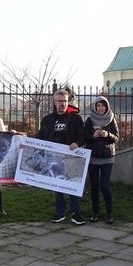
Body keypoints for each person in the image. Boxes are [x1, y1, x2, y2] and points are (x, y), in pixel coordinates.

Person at [37, 88, 86, 225]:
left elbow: (82, 135)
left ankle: (76, 214)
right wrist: (24, 142)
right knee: (58, 185)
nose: (62, 104)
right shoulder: (47, 120)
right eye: (59, 101)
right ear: (54, 102)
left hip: (71, 158)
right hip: (54, 158)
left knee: (73, 185)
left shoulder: (75, 118)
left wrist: (77, 143)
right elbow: (40, 137)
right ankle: (60, 213)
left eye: (65, 101)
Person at [84, 96, 119, 225]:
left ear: (107, 106)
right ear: (95, 107)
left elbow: (116, 138)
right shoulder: (89, 120)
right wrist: (93, 136)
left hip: (107, 158)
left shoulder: (111, 119)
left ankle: (110, 213)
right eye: (98, 105)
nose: (100, 108)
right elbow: (85, 137)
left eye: (103, 105)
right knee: (94, 186)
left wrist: (106, 134)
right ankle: (95, 212)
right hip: (93, 158)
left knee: (104, 186)